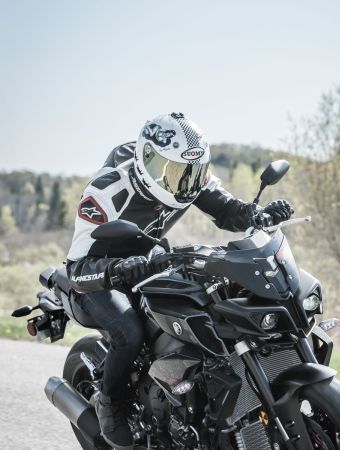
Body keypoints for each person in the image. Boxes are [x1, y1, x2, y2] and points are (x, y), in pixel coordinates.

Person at [66, 112, 293, 449]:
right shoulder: (107, 192)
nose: (185, 181)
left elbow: (226, 210)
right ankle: (110, 403)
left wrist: (256, 215)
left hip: (150, 260)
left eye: (193, 172)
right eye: (174, 172)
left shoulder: (186, 177)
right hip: (100, 277)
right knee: (129, 331)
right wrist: (119, 269)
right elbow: (77, 269)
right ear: (148, 162)